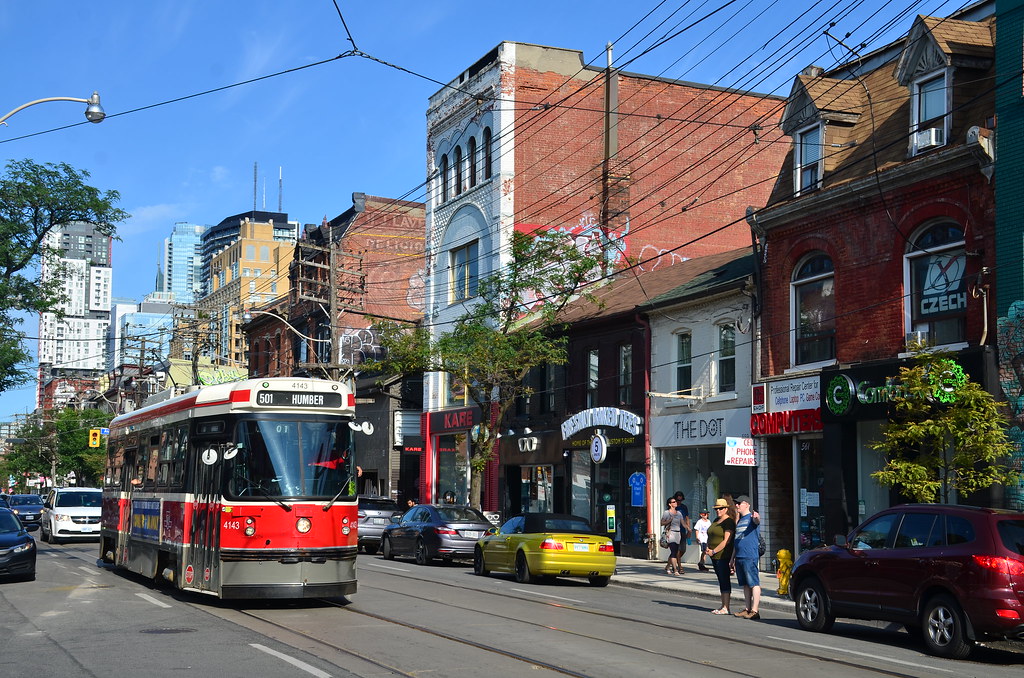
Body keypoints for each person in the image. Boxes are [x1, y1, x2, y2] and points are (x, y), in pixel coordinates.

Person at [731, 495, 762, 620]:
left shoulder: (751, 518)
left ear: (747, 504)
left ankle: (755, 610)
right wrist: (732, 558)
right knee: (745, 584)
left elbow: (757, 521)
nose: (737, 505)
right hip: (739, 556)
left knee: (753, 582)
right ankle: (747, 608)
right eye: (736, 503)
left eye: (739, 503)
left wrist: (757, 517)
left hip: (749, 556)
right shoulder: (740, 520)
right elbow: (736, 540)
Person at [705, 497, 736, 614]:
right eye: (717, 509)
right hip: (714, 556)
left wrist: (714, 551)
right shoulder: (715, 520)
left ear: (726, 509)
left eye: (721, 508)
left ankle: (726, 607)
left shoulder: (728, 522)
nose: (718, 511)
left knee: (724, 580)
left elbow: (726, 541)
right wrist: (708, 548)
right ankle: (723, 605)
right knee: (720, 579)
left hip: (723, 555)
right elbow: (710, 535)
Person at [660, 496, 685, 576]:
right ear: (670, 504)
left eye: (675, 501)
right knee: (673, 552)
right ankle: (675, 569)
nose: (676, 503)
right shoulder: (667, 513)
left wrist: (688, 528)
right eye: (674, 502)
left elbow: (682, 523)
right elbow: (661, 523)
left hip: (678, 533)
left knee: (675, 551)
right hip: (670, 533)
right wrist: (669, 520)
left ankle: (667, 566)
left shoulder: (679, 513)